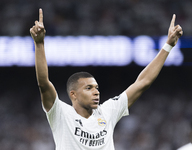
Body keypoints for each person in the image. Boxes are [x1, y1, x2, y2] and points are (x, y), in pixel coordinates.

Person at [30, 8, 183, 150]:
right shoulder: (61, 114)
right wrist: (39, 44)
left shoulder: (107, 111)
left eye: (96, 88)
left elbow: (143, 83)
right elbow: (43, 83)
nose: (96, 92)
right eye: (88, 88)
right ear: (73, 94)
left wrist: (168, 45)